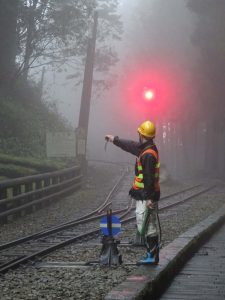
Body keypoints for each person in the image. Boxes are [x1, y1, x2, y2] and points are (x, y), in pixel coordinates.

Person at [105, 120, 161, 264]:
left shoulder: (148, 154)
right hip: (144, 194)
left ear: (142, 135)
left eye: (139, 134)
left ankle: (152, 256)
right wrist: (114, 140)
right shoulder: (146, 148)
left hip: (146, 196)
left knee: (148, 225)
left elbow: (148, 177)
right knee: (147, 224)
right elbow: (130, 145)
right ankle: (151, 255)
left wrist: (149, 198)